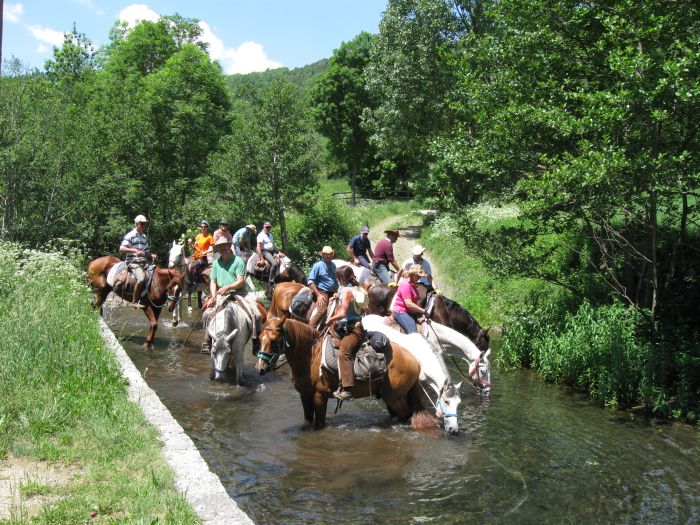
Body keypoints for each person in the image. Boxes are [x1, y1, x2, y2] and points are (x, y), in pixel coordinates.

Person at [201, 237, 261, 354]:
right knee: (207, 313)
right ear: (217, 249)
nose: (222, 248)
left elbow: (240, 281)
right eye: (219, 246)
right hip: (221, 294)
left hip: (240, 293)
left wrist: (228, 287)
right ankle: (207, 341)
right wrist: (213, 297)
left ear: (229, 246)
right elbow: (213, 282)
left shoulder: (238, 261)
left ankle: (256, 342)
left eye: (225, 245)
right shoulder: (216, 263)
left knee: (257, 314)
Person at [326, 266, 367, 400]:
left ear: (342, 278)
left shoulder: (348, 290)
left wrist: (331, 319)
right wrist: (337, 297)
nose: (337, 279)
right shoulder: (350, 288)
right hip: (344, 326)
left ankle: (348, 389)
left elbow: (343, 313)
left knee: (344, 352)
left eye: (338, 277)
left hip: (353, 328)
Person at [119, 214, 157, 308]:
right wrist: (134, 250)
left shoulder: (143, 236)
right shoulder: (130, 235)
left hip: (143, 262)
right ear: (136, 224)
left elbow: (146, 252)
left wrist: (151, 254)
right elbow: (122, 248)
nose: (144, 226)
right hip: (132, 262)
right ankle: (134, 301)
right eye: (142, 223)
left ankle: (148, 296)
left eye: (145, 224)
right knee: (141, 279)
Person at [307, 246, 339, 328]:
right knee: (322, 310)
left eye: (330, 254)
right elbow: (310, 281)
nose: (328, 256)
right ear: (323, 255)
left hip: (332, 292)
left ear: (332, 254)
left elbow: (335, 280)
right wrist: (318, 295)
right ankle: (310, 329)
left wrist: (335, 291)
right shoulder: (317, 265)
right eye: (326, 254)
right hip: (322, 292)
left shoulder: (333, 265)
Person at [392, 264, 428, 334]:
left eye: (420, 277)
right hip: (401, 311)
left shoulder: (412, 284)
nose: (419, 278)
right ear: (412, 275)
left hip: (409, 311)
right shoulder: (406, 285)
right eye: (418, 276)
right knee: (413, 333)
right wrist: (423, 311)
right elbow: (408, 304)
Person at [256, 221, 285, 285]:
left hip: (272, 251)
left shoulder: (270, 235)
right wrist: (261, 258)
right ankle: (271, 280)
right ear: (264, 227)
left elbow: (273, 246)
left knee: (283, 260)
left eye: (269, 227)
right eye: (266, 227)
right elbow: (258, 247)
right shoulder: (261, 235)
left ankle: (279, 277)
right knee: (274, 264)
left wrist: (279, 252)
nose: (268, 228)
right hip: (265, 252)